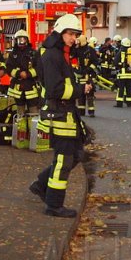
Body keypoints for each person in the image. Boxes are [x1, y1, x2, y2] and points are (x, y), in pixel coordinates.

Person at [29, 14, 91, 218]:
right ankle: (54, 204)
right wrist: (80, 89)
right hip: (59, 114)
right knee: (64, 160)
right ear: (60, 33)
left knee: (77, 155)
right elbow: (55, 89)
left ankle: (40, 184)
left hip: (66, 113)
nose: (74, 38)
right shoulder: (52, 55)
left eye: (75, 34)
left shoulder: (60, 53)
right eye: (70, 34)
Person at [5, 29, 41, 120]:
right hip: (18, 90)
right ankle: (21, 132)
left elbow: (39, 68)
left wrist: (28, 74)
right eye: (19, 39)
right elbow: (8, 68)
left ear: (27, 40)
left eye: (23, 39)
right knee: (19, 114)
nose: (21, 41)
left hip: (31, 88)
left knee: (34, 113)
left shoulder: (33, 53)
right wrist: (18, 74)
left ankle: (33, 133)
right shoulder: (13, 54)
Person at [74, 35, 100, 117]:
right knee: (80, 94)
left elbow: (95, 62)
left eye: (79, 41)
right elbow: (73, 60)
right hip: (79, 75)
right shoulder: (76, 50)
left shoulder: (90, 50)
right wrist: (76, 70)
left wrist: (89, 69)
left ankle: (91, 111)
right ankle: (81, 111)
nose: (77, 43)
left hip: (89, 75)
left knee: (90, 93)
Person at [114, 37, 131, 107]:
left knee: (121, 89)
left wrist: (119, 66)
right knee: (129, 89)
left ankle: (119, 103)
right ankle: (129, 103)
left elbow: (115, 62)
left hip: (122, 75)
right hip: (130, 74)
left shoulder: (120, 52)